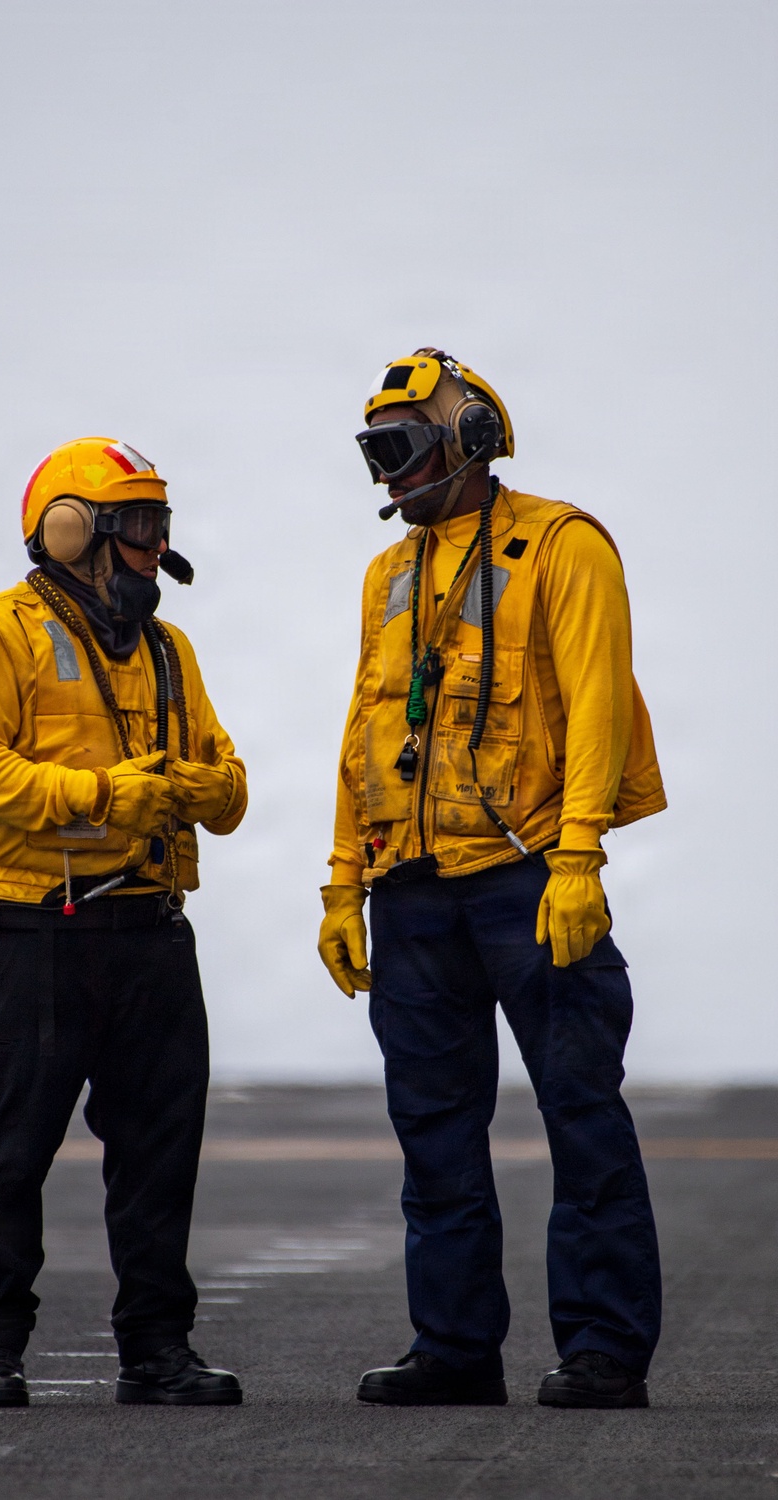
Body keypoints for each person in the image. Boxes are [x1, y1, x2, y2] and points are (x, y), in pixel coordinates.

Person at [318, 349, 666, 1409]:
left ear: (467, 437)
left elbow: (599, 703)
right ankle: (455, 1349)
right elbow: (365, 727)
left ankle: (604, 1347)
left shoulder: (562, 545)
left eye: (404, 448)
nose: (388, 476)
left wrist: (579, 859)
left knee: (579, 1109)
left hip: (526, 880)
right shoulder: (389, 574)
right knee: (432, 1130)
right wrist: (342, 883)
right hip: (412, 891)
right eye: (374, 455)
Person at [0, 436, 247, 1408]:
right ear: (74, 532)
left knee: (160, 1153)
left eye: (161, 526)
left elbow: (229, 790)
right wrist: (107, 796)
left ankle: (157, 1351)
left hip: (151, 933)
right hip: (34, 937)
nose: (157, 547)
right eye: (139, 527)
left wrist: (188, 787)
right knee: (12, 1149)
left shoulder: (167, 649)